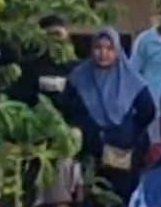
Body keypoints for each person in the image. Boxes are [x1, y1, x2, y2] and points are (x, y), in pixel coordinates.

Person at [61, 28, 155, 191]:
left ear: (118, 51)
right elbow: (67, 109)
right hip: (89, 155)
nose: (103, 53)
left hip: (121, 157)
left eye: (110, 49)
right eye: (98, 48)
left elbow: (148, 110)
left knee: (119, 203)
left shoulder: (130, 79)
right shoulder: (78, 77)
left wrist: (130, 131)